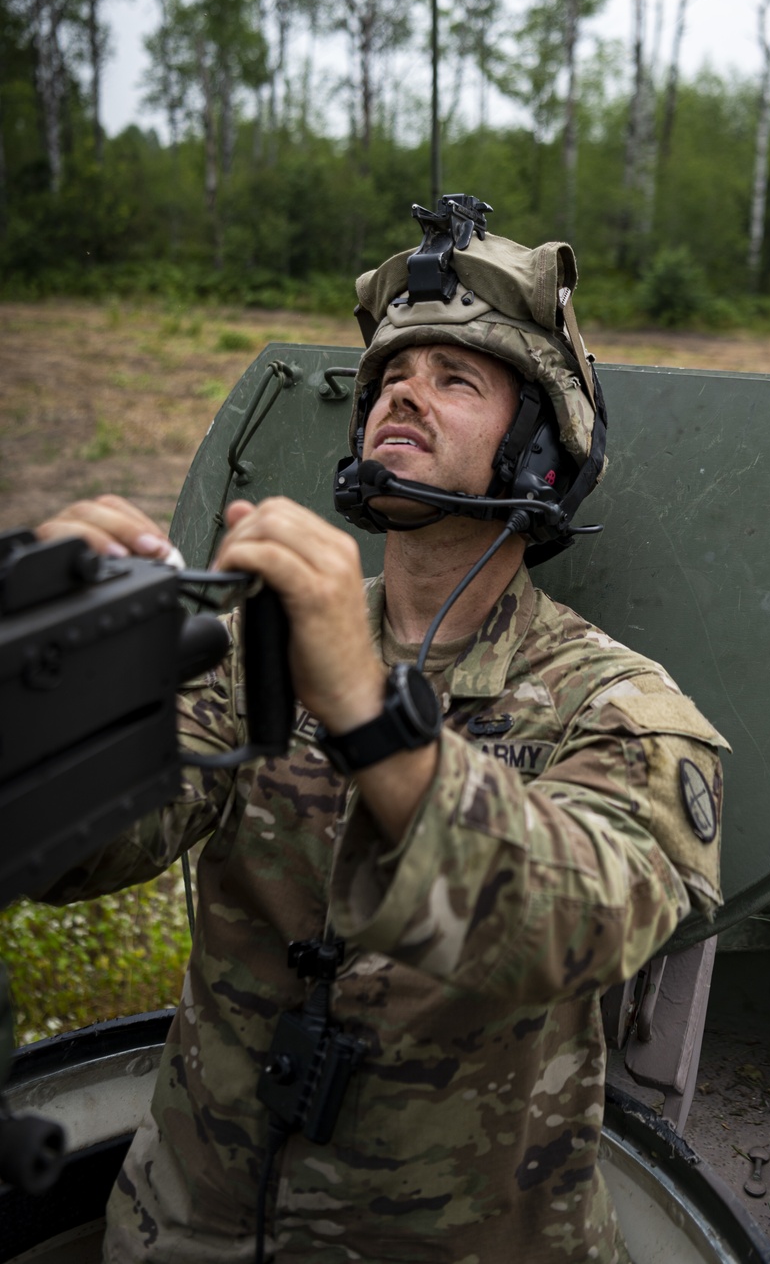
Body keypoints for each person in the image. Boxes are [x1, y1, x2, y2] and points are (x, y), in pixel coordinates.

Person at [37, 199, 727, 1264]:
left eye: (457, 381)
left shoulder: (618, 705)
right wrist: (47, 677)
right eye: (391, 380)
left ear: (539, 454)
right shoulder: (253, 645)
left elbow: (577, 927)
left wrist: (370, 712)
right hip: (185, 1228)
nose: (405, 392)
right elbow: (89, 844)